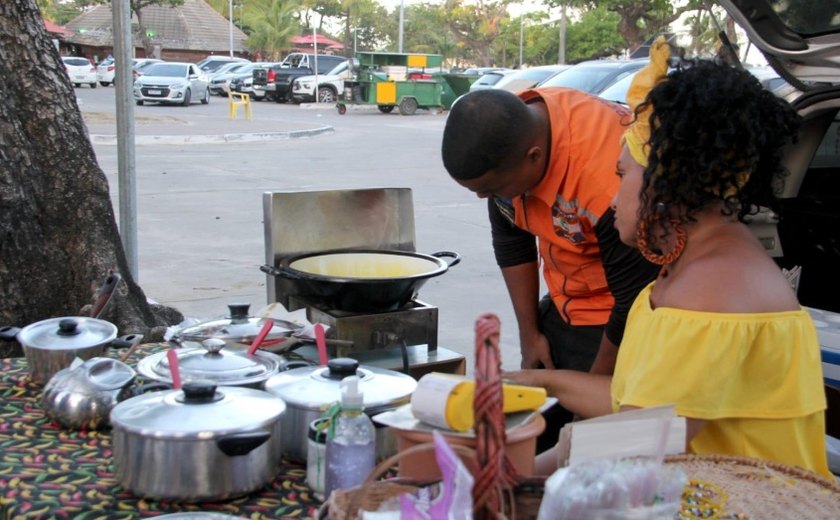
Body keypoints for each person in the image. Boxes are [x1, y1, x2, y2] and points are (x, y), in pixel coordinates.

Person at [503, 40, 831, 477]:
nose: (614, 196)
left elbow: (643, 436)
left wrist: (520, 477)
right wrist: (540, 383)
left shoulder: (713, 289)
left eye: (622, 175)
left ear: (665, 183)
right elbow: (637, 400)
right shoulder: (694, 265)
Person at [441, 63, 660, 450]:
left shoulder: (605, 179)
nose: (482, 197)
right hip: (566, 307)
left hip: (625, 324)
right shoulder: (513, 138)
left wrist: (591, 394)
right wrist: (531, 333)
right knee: (531, 436)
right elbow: (511, 240)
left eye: (490, 188)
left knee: (586, 449)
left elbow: (633, 301)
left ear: (534, 156)